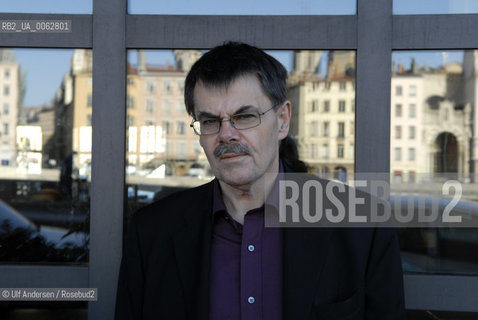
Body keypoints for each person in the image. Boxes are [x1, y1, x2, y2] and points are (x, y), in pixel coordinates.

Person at [115, 42, 406, 320]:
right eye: (210, 121)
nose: (226, 134)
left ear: (282, 121)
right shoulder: (151, 233)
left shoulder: (363, 227)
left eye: (244, 117)